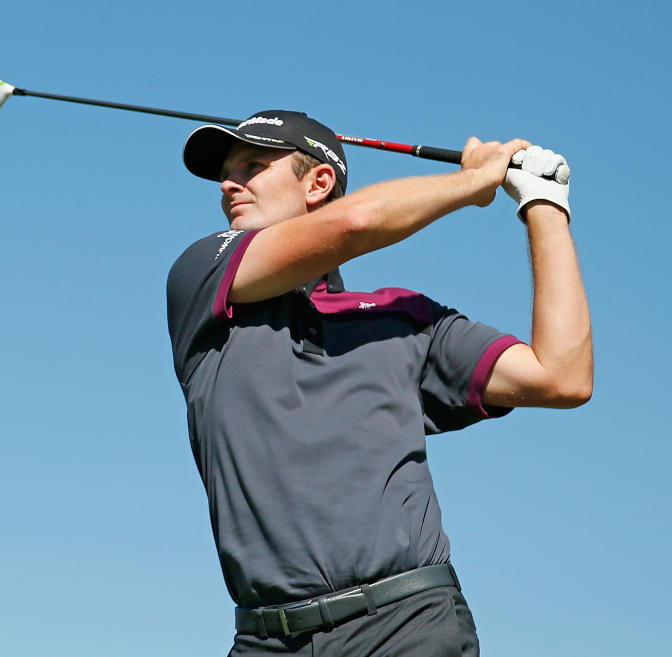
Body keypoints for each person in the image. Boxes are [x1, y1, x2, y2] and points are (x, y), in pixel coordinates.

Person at [166, 110, 592, 656]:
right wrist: (473, 181)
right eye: (226, 171)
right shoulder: (203, 279)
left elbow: (561, 376)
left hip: (404, 625)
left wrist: (544, 205)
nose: (230, 183)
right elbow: (354, 225)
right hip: (263, 639)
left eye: (253, 165)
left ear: (318, 183)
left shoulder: (405, 320)